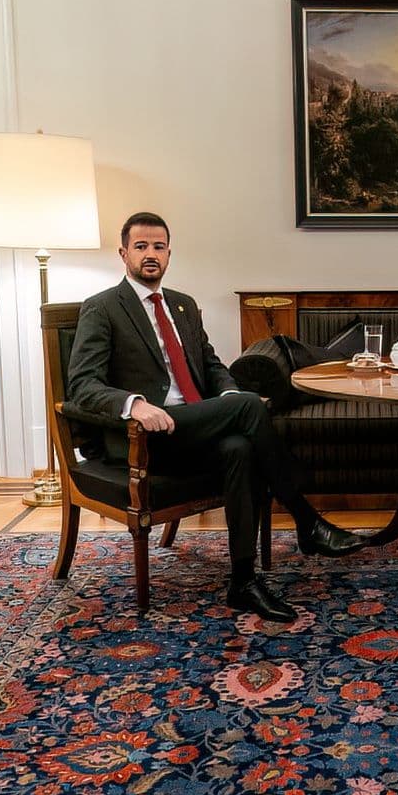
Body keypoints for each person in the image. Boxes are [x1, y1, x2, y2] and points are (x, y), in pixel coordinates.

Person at [67, 211, 360, 621]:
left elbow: (211, 364)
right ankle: (307, 521)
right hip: (145, 437)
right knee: (249, 406)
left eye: (158, 247)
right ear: (123, 253)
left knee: (240, 446)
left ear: (169, 254)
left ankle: (243, 581)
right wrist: (135, 404)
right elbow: (82, 386)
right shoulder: (102, 308)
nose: (151, 254)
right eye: (141, 246)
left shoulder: (183, 305)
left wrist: (228, 393)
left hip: (191, 427)